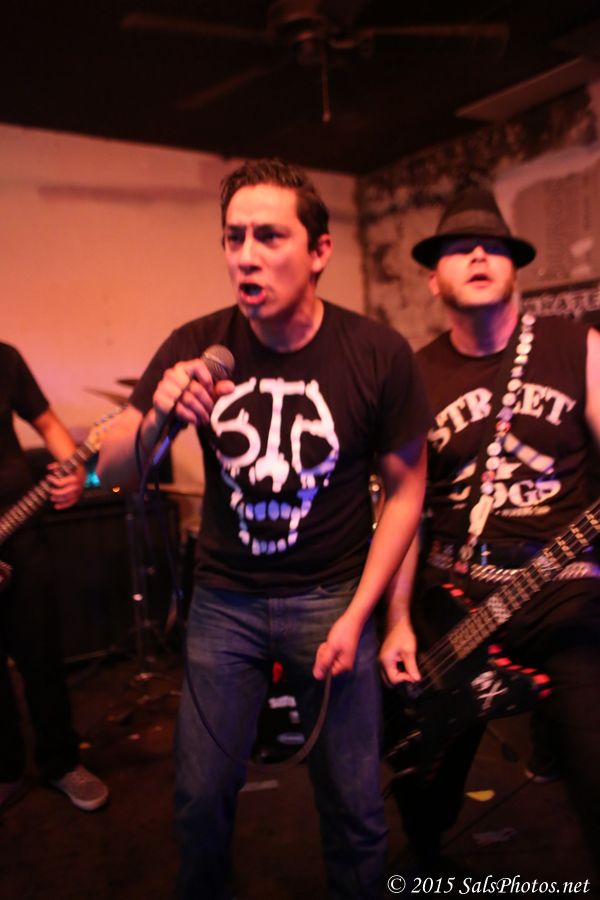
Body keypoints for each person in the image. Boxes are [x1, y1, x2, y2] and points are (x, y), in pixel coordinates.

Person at [97, 157, 430, 899]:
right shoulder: (195, 345)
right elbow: (114, 471)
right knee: (200, 800)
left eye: (270, 236)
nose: (245, 255)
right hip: (225, 603)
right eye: (234, 236)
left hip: (333, 597)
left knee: (354, 804)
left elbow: (409, 491)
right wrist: (157, 415)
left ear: (319, 251)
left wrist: (363, 614)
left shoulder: (377, 354)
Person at [379, 187, 600, 879]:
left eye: (494, 246)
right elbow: (405, 508)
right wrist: (397, 620)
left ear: (514, 268)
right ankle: (425, 858)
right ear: (432, 278)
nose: (478, 254)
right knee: (423, 774)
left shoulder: (578, 346)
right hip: (453, 594)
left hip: (560, 587)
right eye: (458, 248)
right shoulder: (414, 374)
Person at [0, 342, 109, 812]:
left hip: (21, 529)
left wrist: (75, 471)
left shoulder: (4, 358)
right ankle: (5, 769)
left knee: (41, 655)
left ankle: (61, 762)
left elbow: (47, 424)